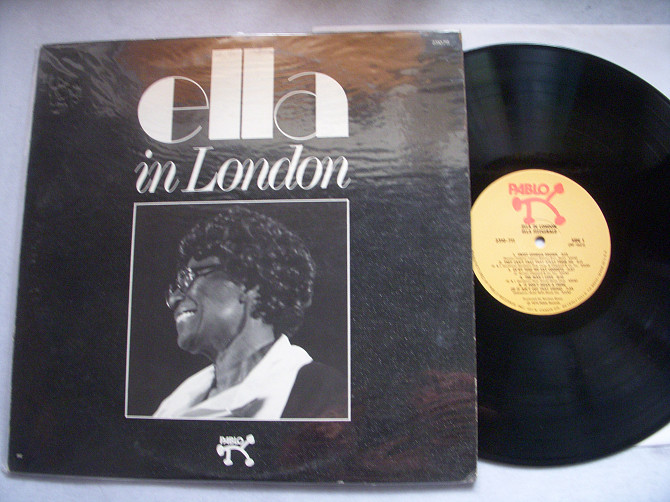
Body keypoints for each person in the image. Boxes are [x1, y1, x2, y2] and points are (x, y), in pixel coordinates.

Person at [153, 206, 347, 419]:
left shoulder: (325, 396)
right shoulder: (173, 406)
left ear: (249, 283)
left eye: (191, 277)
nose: (174, 299)